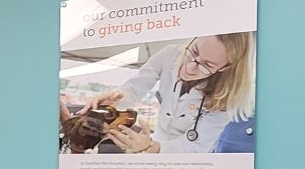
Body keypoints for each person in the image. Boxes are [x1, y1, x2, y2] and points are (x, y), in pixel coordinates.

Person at [81, 33, 255, 154]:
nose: (190, 67)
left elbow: (195, 148)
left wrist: (151, 146)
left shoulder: (227, 96)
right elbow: (135, 87)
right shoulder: (169, 55)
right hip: (156, 144)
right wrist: (115, 98)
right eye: (193, 52)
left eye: (207, 65)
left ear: (225, 67)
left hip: (192, 165)